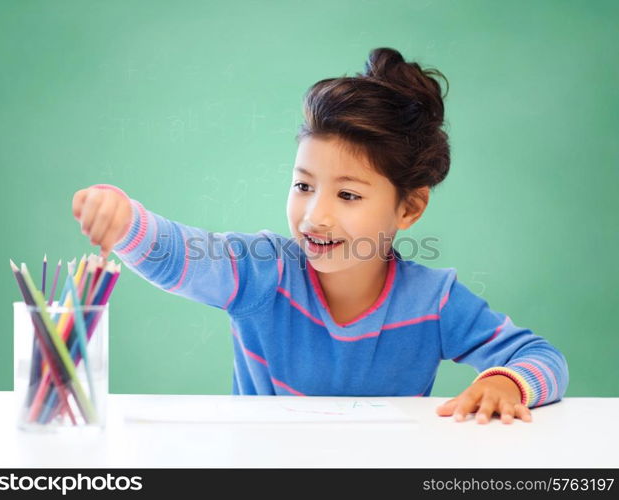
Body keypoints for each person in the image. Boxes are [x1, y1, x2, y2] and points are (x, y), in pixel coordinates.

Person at [72, 47, 568, 425]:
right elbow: (180, 255)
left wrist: (508, 381)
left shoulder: (433, 303)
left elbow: (541, 358)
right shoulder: (261, 271)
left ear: (410, 206)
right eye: (303, 185)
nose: (314, 215)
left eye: (348, 195)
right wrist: (126, 223)